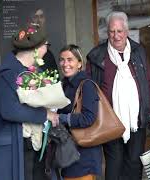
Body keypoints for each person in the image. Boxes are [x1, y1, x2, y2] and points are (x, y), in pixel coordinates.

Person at [86, 11, 150, 180]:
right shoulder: (96, 55)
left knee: (134, 162)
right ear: (107, 33)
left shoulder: (138, 51)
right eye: (112, 31)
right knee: (114, 163)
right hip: (109, 120)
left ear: (126, 32)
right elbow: (89, 89)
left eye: (119, 31)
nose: (116, 36)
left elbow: (148, 83)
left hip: (136, 118)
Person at [0, 24, 53, 180]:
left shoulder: (35, 71)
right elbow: (9, 111)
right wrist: (45, 114)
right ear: (36, 48)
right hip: (16, 145)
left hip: (33, 142)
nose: (47, 50)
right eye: (46, 45)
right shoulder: (7, 72)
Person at [47, 44, 102, 180]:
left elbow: (88, 118)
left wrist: (61, 117)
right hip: (69, 151)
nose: (65, 64)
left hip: (84, 154)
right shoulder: (64, 84)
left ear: (79, 63)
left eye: (70, 59)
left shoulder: (86, 84)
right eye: (62, 59)